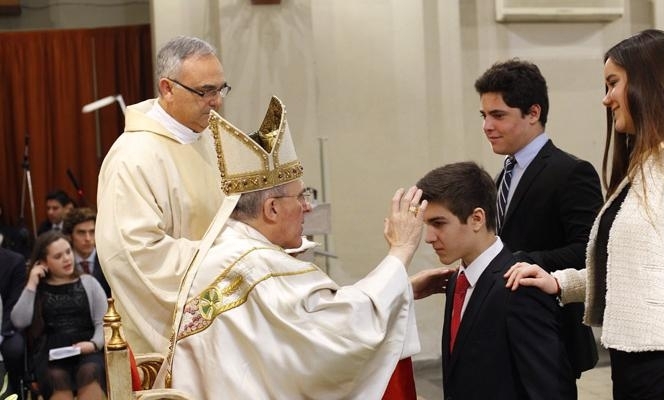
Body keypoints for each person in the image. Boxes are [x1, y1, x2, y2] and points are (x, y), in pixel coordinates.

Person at [505, 29, 664, 399]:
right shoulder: (648, 164)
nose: (606, 99)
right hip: (638, 366)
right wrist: (559, 282)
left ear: (650, 84)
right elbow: (633, 272)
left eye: (612, 84)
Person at [160, 96, 440, 399]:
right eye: (300, 196)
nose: (307, 206)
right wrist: (400, 252)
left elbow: (307, 323)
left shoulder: (228, 252)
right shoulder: (256, 265)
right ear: (272, 209)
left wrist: (401, 289)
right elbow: (338, 335)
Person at [96, 35, 229, 353]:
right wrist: (227, 259)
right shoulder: (134, 156)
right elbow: (133, 255)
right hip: (171, 335)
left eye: (220, 89)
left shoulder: (213, 137)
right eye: (205, 91)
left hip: (223, 312)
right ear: (167, 88)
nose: (217, 101)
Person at [475, 58, 603, 382]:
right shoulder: (502, 174)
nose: (487, 126)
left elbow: (589, 252)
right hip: (505, 331)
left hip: (548, 334)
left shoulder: (572, 172)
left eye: (498, 115)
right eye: (484, 115)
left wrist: (524, 262)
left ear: (533, 113)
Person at [416, 161, 573, 399]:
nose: (428, 237)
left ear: (477, 218)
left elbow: (551, 389)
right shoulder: (456, 282)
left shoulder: (518, 286)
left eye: (438, 223)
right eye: (426, 224)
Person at [10, 231, 108, 400]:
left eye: (68, 252)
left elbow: (104, 322)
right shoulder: (37, 289)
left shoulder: (89, 283)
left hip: (87, 348)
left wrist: (93, 345)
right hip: (51, 353)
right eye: (58, 256)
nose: (67, 259)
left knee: (90, 370)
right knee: (56, 376)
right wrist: (32, 283)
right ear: (43, 262)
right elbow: (19, 321)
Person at [63, 208, 111, 297]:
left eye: (92, 232)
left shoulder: (108, 260)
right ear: (70, 235)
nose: (88, 238)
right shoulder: (64, 262)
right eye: (81, 233)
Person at [0, 246, 28, 395]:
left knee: (14, 348)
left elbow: (12, 303)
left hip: (5, 326)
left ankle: (14, 390)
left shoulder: (14, 261)